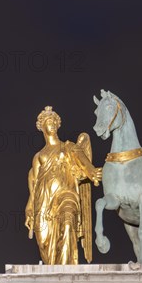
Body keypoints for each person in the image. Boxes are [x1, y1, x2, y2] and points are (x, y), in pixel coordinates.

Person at [25, 106, 102, 264]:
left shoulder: (69, 147)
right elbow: (34, 182)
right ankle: (53, 273)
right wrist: (29, 207)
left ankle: (66, 273)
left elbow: (85, 164)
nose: (52, 123)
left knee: (68, 224)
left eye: (54, 121)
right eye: (48, 121)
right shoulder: (38, 156)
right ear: (42, 127)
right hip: (44, 201)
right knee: (43, 240)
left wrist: (92, 172)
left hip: (66, 195)